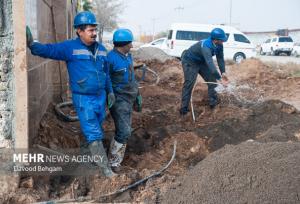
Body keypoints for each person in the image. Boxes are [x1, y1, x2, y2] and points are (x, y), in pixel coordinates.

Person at [26, 11, 116, 177]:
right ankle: (105, 170)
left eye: (95, 29)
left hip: (100, 97)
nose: (94, 33)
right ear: (79, 31)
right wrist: (32, 45)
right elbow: (49, 50)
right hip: (83, 98)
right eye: (90, 30)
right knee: (94, 133)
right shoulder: (70, 48)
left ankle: (83, 160)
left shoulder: (102, 50)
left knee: (96, 130)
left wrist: (110, 92)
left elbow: (106, 73)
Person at [106, 28, 142, 171]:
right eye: (130, 43)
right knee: (124, 131)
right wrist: (108, 94)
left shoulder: (128, 56)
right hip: (119, 100)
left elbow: (132, 77)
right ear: (123, 44)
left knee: (126, 128)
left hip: (130, 97)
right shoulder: (110, 59)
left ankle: (118, 154)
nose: (132, 46)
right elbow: (105, 79)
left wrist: (138, 94)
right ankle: (114, 162)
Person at [180, 27, 229, 116]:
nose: (223, 42)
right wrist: (220, 79)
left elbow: (220, 59)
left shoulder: (219, 45)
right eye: (222, 40)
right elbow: (211, 65)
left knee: (212, 81)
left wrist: (223, 73)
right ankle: (183, 110)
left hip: (201, 61)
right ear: (215, 40)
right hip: (190, 61)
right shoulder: (206, 46)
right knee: (189, 83)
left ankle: (213, 104)